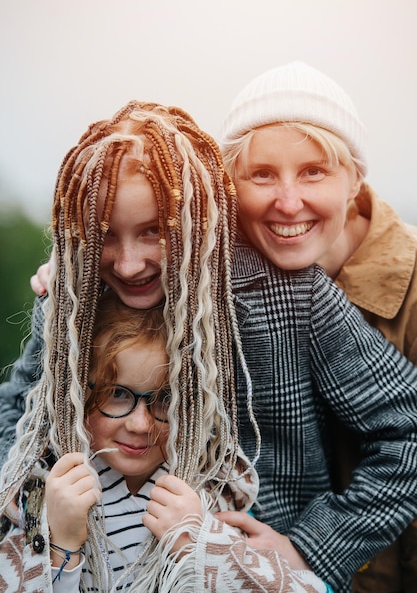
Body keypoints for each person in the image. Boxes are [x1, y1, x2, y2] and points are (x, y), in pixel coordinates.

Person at [3, 100, 417, 592]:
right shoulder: (73, 297)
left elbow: (406, 434)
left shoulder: (286, 294)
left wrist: (310, 548)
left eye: (155, 231)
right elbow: (16, 416)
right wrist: (40, 517)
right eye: (106, 235)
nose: (130, 264)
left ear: (195, 216)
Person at [218, 60, 417, 593]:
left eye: (314, 172)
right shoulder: (227, 276)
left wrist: (311, 546)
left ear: (355, 179)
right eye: (261, 174)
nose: (288, 202)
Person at [1, 289, 328, 592]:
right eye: (116, 393)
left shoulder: (212, 488)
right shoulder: (44, 489)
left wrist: (198, 544)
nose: (141, 424)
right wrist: (60, 547)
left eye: (164, 398)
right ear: (76, 392)